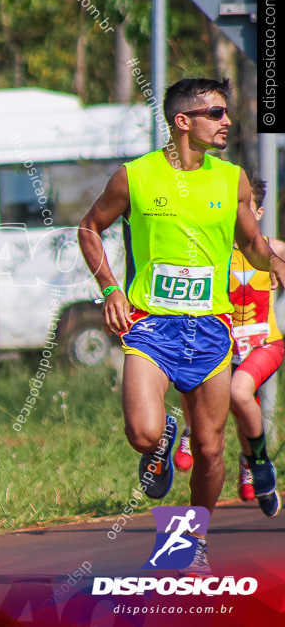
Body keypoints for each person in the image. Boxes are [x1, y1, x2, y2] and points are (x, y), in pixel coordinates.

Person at [78, 78, 285, 577]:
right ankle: (163, 438)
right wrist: (110, 288)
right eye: (214, 113)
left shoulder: (231, 179)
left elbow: (253, 242)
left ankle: (189, 542)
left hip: (210, 331)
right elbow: (89, 228)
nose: (226, 121)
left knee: (212, 450)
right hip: (151, 325)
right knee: (141, 433)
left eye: (226, 112)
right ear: (182, 121)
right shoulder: (135, 176)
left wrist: (273, 263)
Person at [173, 177, 282, 516]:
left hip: (265, 344)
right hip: (223, 348)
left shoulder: (274, 249)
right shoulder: (214, 252)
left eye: (246, 210)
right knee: (217, 392)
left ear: (258, 212)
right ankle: (226, 446)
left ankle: (260, 462)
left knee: (239, 393)